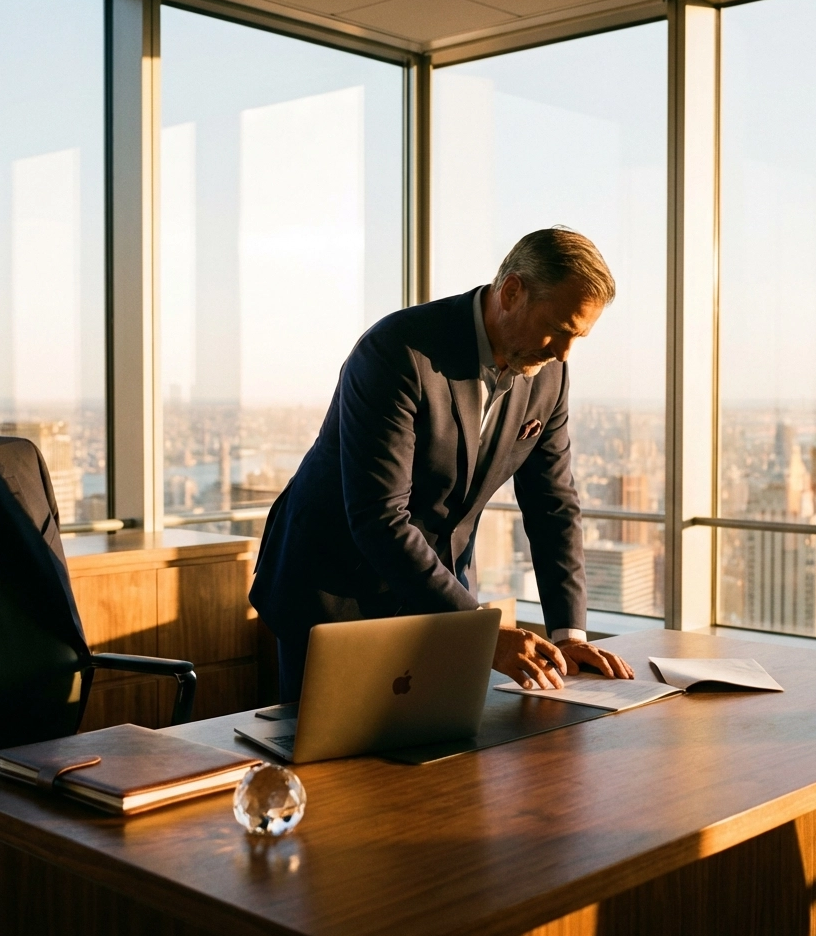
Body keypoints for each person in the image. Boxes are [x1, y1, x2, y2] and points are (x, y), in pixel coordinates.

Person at [250, 227, 634, 701]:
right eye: (559, 327)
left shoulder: (550, 374)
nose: (564, 352)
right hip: (335, 591)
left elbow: (553, 506)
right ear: (512, 292)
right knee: (334, 765)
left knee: (444, 758)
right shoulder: (400, 350)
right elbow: (379, 515)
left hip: (437, 593)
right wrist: (478, 631)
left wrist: (568, 636)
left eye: (579, 336)